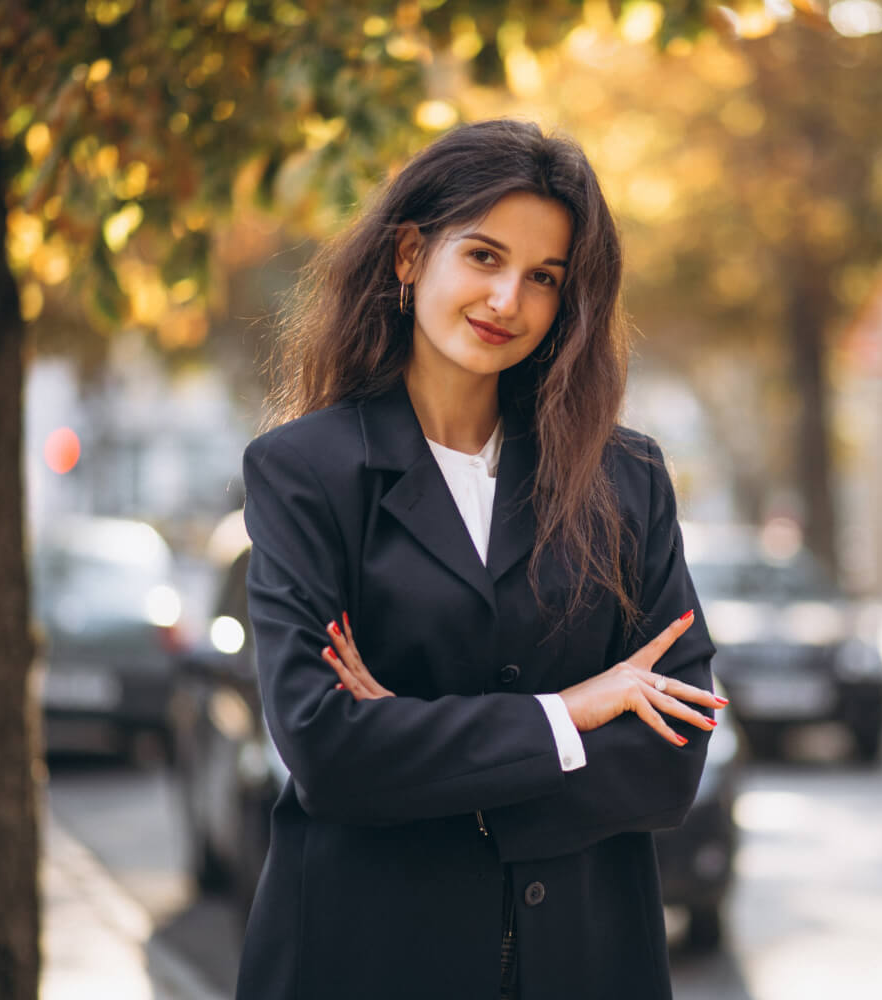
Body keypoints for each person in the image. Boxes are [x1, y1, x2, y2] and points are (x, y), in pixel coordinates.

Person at [234, 118, 723, 1000]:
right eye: (485, 257)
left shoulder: (628, 478)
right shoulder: (304, 473)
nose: (509, 302)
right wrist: (566, 718)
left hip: (585, 963)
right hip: (365, 962)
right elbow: (326, 750)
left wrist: (420, 752)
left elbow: (669, 756)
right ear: (411, 256)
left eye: (544, 278)